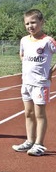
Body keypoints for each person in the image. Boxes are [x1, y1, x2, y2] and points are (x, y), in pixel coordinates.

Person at [11, 9, 56, 156]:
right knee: (28, 113)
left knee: (39, 114)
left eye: (33, 22)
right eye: (27, 23)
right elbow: (22, 54)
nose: (30, 26)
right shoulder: (24, 40)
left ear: (42, 22)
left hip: (40, 84)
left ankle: (39, 144)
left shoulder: (47, 41)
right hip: (26, 83)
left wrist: (51, 71)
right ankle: (29, 141)